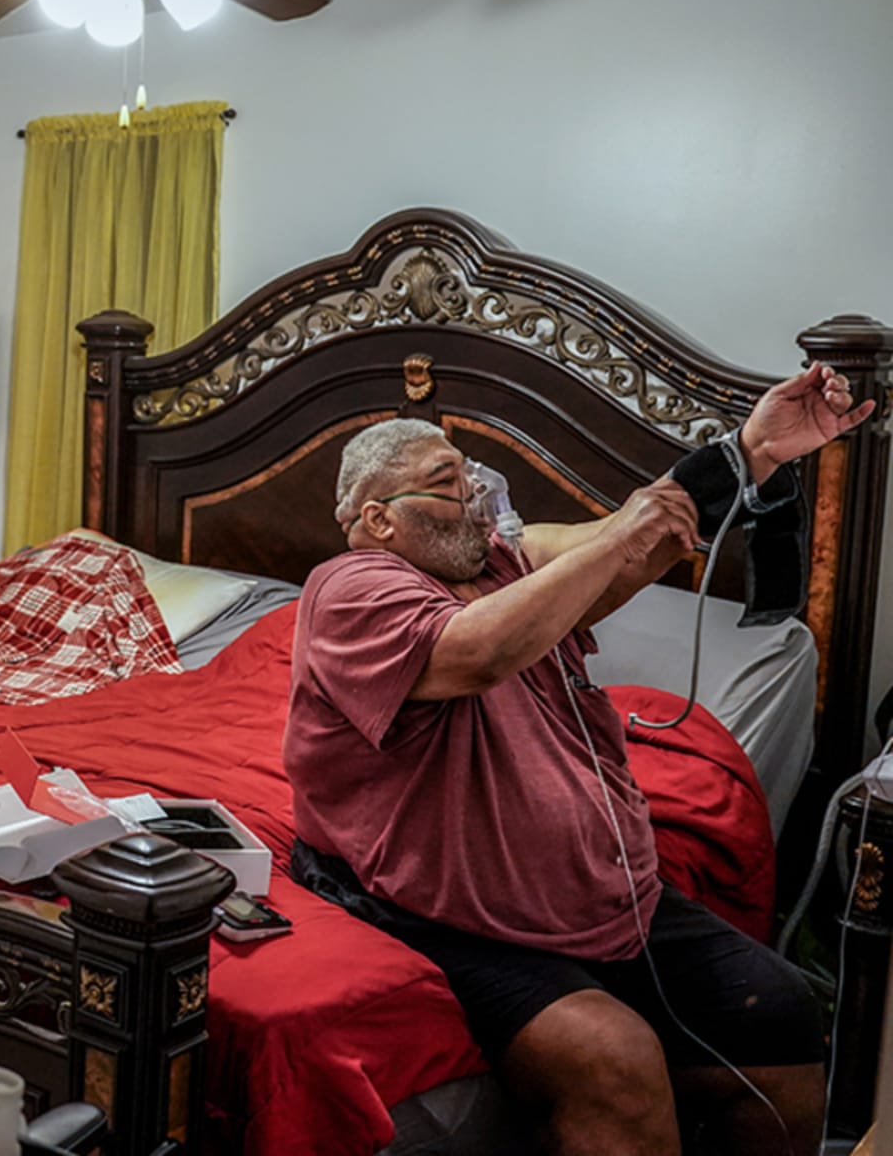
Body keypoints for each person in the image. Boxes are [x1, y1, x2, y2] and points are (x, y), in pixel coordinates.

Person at [284, 362, 874, 1156]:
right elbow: (483, 650)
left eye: (473, 475)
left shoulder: (501, 560)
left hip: (599, 896)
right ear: (378, 519)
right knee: (612, 1058)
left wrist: (753, 450)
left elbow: (617, 545)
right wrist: (621, 537)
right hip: (447, 913)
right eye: (449, 482)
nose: (479, 496)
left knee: (779, 1007)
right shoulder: (352, 585)